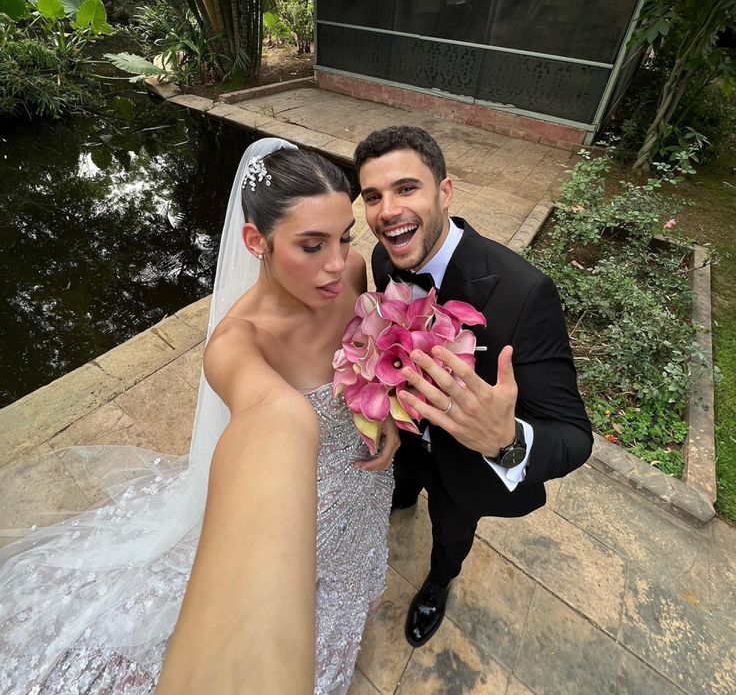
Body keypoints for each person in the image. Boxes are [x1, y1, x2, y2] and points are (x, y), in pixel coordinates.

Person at [0, 138, 397, 695]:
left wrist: (388, 413)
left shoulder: (352, 272)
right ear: (256, 240)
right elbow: (270, 414)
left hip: (365, 482)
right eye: (311, 246)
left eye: (343, 237)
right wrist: (288, 421)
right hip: (289, 501)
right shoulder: (236, 346)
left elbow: (367, 348)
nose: (336, 263)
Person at [354, 125, 593, 648]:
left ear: (445, 191)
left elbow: (575, 437)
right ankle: (404, 492)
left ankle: (440, 580)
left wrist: (503, 440)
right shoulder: (384, 259)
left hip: (466, 467)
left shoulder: (524, 292)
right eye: (373, 196)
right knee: (403, 486)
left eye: (406, 188)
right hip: (406, 440)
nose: (387, 210)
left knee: (452, 529)